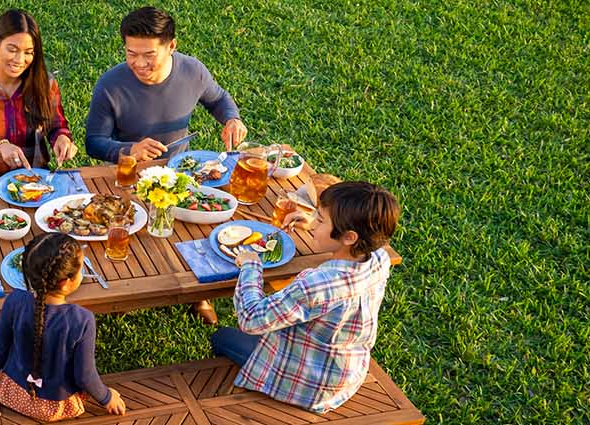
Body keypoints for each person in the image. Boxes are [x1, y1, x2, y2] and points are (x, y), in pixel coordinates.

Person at [210, 182, 401, 413]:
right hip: (346, 372)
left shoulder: (317, 285)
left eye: (320, 220)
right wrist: (314, 224)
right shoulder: (378, 258)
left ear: (349, 237)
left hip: (307, 385)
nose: (314, 225)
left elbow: (251, 319)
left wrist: (251, 264)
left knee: (222, 337)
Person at [0, 233, 127, 422]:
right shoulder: (82, 319)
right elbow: (85, 376)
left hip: (13, 395)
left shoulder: (15, 301)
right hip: (58, 407)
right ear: (66, 282)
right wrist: (107, 397)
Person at [84, 7, 247, 162]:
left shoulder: (193, 71)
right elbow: (94, 142)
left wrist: (232, 119)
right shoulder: (110, 85)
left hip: (179, 167)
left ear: (171, 46)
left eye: (149, 55)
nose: (139, 63)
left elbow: (218, 99)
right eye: (131, 53)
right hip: (128, 170)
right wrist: (131, 150)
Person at [0, 9, 77, 178]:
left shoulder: (45, 82)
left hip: (34, 177)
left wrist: (62, 138)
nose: (19, 60)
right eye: (12, 49)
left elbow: (56, 125)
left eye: (28, 52)